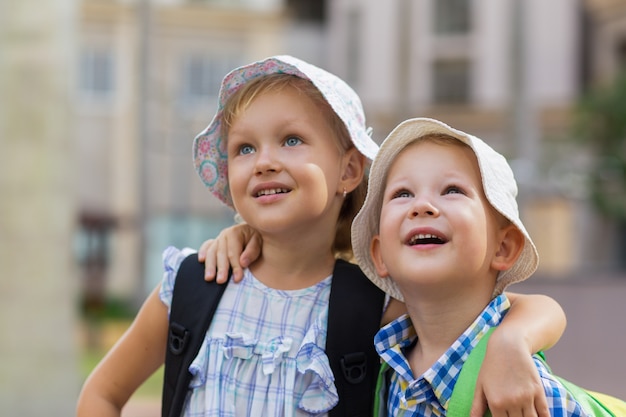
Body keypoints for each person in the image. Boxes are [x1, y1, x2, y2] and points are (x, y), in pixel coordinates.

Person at [76, 55, 564, 417]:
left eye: (291, 140)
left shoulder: (372, 303)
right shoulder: (194, 282)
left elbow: (519, 307)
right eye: (244, 148)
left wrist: (512, 342)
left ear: (349, 170)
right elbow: (102, 393)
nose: (265, 159)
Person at [349, 117, 588, 416]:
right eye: (403, 194)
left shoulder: (527, 392)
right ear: (380, 254)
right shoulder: (386, 369)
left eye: (451, 190)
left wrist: (511, 340)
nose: (421, 205)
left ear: (503, 247)